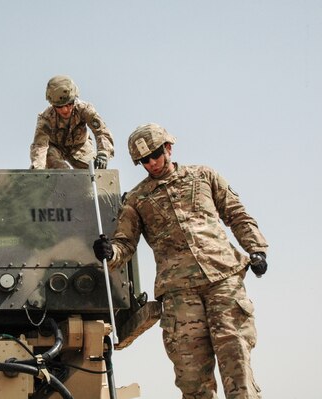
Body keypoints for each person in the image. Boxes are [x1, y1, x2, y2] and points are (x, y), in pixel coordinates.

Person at [93, 123, 268, 399]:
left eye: (155, 155)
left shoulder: (204, 176)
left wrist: (256, 249)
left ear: (168, 148)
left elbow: (236, 214)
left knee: (237, 367)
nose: (151, 163)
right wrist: (109, 252)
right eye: (144, 161)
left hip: (223, 280)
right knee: (192, 378)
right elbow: (125, 244)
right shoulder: (137, 200)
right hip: (178, 294)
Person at [30, 75, 114, 169]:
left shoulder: (84, 109)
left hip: (80, 147)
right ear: (53, 105)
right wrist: (38, 169)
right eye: (59, 107)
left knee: (95, 174)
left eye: (69, 104)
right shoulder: (46, 118)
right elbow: (40, 145)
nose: (65, 110)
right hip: (55, 149)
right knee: (59, 172)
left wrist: (103, 153)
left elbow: (101, 131)